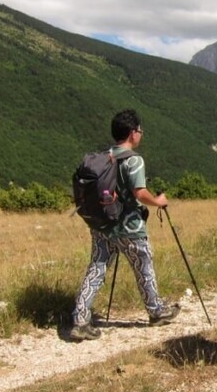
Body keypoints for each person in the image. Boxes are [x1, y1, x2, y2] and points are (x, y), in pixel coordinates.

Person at [70, 109, 179, 341]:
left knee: (97, 268)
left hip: (102, 225)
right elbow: (139, 193)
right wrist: (158, 201)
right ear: (132, 133)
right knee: (144, 265)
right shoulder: (134, 160)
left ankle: (80, 319)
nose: (141, 134)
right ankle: (156, 311)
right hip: (129, 227)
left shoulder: (105, 156)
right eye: (140, 130)